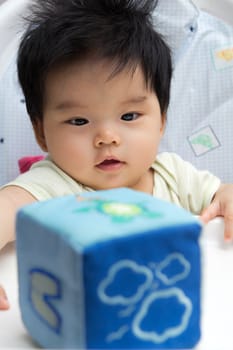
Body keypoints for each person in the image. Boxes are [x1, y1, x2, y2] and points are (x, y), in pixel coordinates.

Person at [0, 0, 233, 310]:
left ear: (162, 119)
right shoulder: (54, 186)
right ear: (41, 132)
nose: (107, 137)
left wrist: (228, 195)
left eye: (129, 116)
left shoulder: (174, 175)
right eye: (79, 121)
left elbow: (220, 197)